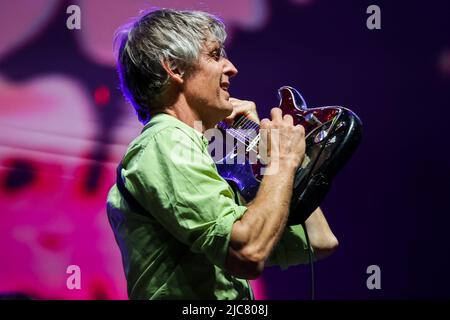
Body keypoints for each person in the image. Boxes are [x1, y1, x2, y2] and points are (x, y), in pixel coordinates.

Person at [106, 8, 338, 300]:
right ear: (175, 69)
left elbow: (319, 241)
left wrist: (265, 153)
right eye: (215, 55)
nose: (231, 68)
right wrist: (283, 161)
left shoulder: (198, 153)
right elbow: (248, 252)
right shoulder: (165, 142)